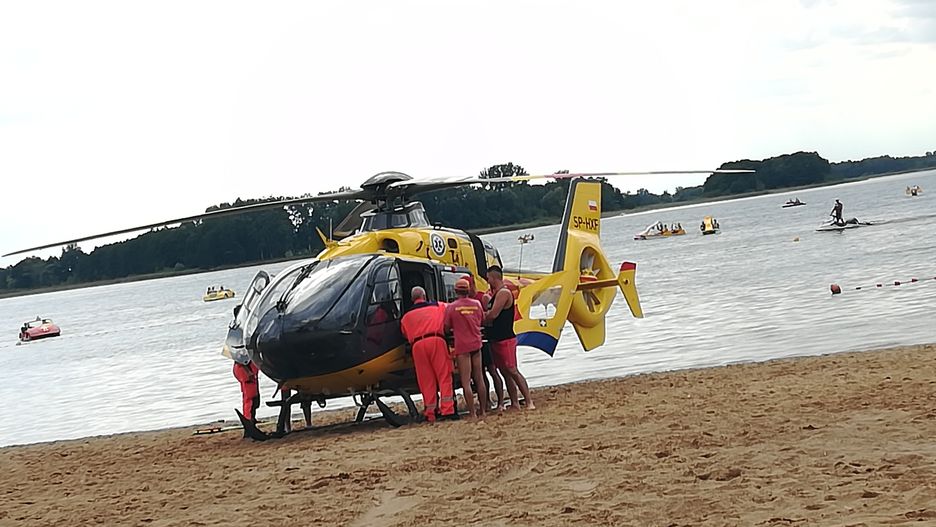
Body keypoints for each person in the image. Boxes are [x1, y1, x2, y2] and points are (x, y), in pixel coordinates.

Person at [483, 266, 535, 411]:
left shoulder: (503, 293)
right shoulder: (494, 294)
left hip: (505, 338)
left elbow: (493, 314)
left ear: (494, 278)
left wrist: (482, 317)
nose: (488, 281)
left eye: (488, 278)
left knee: (512, 370)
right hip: (496, 338)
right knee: (504, 371)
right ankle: (514, 403)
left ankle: (529, 401)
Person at [400, 286, 455, 422]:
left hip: (417, 346)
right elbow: (451, 312)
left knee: (426, 380)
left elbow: (404, 333)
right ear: (425, 296)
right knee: (443, 376)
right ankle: (447, 409)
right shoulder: (438, 306)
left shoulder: (406, 317)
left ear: (412, 299)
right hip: (436, 340)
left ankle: (430, 411)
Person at [444, 279, 488, 420]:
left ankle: (472, 413)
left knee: (466, 381)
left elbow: (446, 327)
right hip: (476, 344)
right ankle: (483, 410)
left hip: (462, 346)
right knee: (479, 378)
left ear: (456, 291)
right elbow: (482, 320)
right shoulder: (477, 304)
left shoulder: (451, 307)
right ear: (468, 290)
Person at [464, 275, 505, 411]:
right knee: (479, 373)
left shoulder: (483, 298)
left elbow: (491, 316)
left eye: (469, 286)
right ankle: (486, 401)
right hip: (474, 341)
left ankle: (500, 401)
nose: (468, 290)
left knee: (493, 370)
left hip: (486, 339)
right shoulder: (465, 301)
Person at [233, 359, 261, 424]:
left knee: (253, 396)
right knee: (250, 397)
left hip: (248, 370)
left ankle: (251, 418)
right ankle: (249, 419)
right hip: (246, 372)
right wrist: (248, 372)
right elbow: (240, 358)